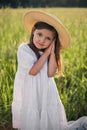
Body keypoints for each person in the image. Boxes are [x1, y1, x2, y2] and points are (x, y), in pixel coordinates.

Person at [12, 10, 70, 130]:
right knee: (33, 114)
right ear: (33, 31)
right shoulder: (24, 49)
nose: (42, 40)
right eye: (39, 34)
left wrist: (52, 53)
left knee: (45, 115)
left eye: (48, 38)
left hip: (46, 91)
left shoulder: (49, 53)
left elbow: (50, 73)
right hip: (30, 91)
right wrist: (46, 54)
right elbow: (33, 71)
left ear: (53, 42)